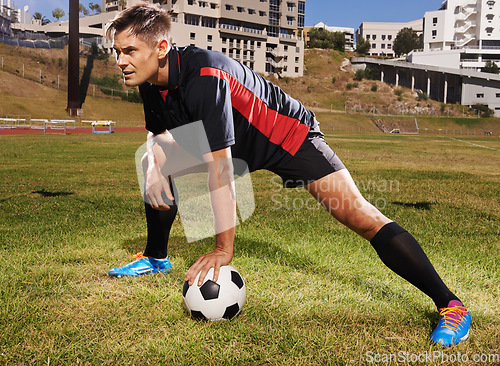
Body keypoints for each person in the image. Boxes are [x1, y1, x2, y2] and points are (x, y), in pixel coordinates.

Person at [105, 2, 471, 346]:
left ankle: (451, 306)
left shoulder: (204, 75)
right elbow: (159, 136)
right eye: (117, 52)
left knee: (359, 215)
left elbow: (220, 169)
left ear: (162, 47)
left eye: (129, 51)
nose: (120, 61)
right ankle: (156, 257)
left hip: (287, 137)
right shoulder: (150, 82)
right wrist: (154, 166)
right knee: (153, 160)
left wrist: (222, 249)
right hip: (234, 143)